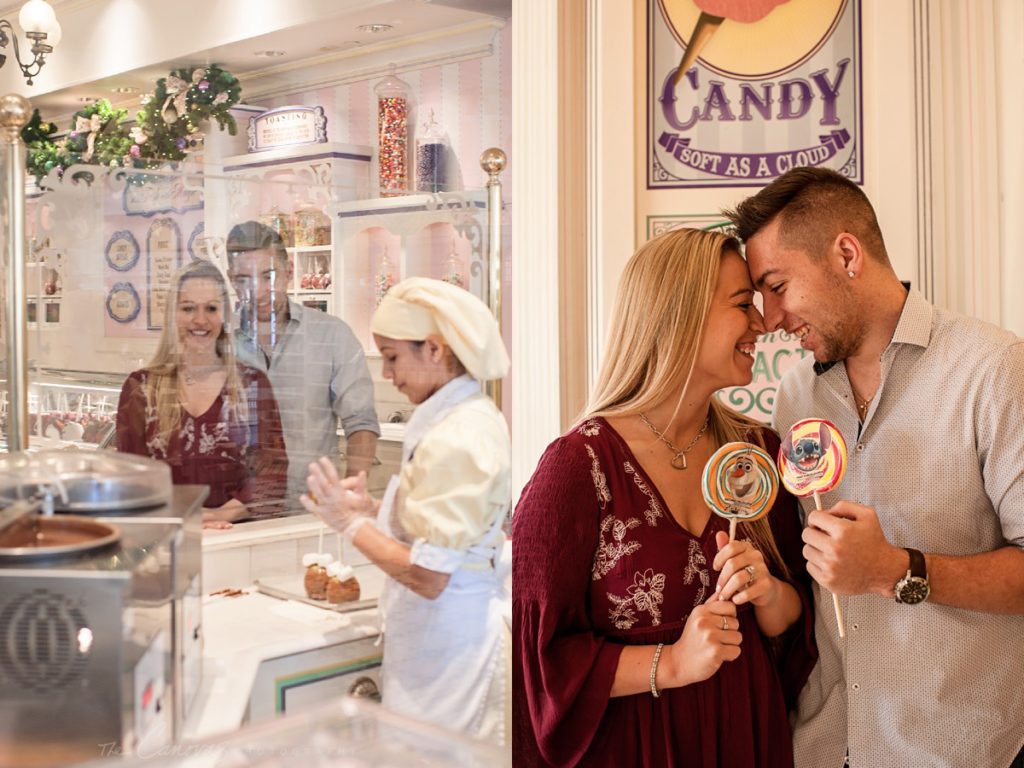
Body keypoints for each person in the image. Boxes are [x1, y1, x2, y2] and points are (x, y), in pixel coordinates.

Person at [724, 166, 1024, 768]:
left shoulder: (992, 370)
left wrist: (895, 570)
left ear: (846, 254)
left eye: (778, 286)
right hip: (825, 741)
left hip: (960, 747)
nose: (772, 319)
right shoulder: (794, 398)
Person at [513, 228, 816, 767]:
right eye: (743, 304)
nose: (763, 324)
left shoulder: (757, 453)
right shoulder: (576, 469)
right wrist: (673, 662)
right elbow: (541, 662)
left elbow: (799, 614)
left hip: (748, 738)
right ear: (680, 316)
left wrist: (768, 594)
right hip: (637, 748)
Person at [300, 277, 511, 745]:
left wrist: (350, 523)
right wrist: (372, 510)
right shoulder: (444, 416)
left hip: (454, 644)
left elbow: (431, 575)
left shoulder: (461, 434)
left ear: (435, 350)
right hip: (436, 640)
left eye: (393, 357)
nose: (387, 373)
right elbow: (432, 526)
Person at [116, 259, 288, 528]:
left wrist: (220, 516)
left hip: (235, 537)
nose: (200, 320)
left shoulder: (252, 383)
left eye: (211, 308)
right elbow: (128, 477)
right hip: (164, 539)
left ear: (224, 316)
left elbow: (273, 475)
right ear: (172, 314)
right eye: (188, 308)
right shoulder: (141, 388)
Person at [225, 221, 379, 502]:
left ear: (289, 272)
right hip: (236, 509)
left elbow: (361, 422)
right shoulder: (217, 340)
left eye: (268, 276)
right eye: (243, 279)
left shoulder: (332, 335)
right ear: (230, 279)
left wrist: (351, 492)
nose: (257, 291)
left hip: (311, 506)